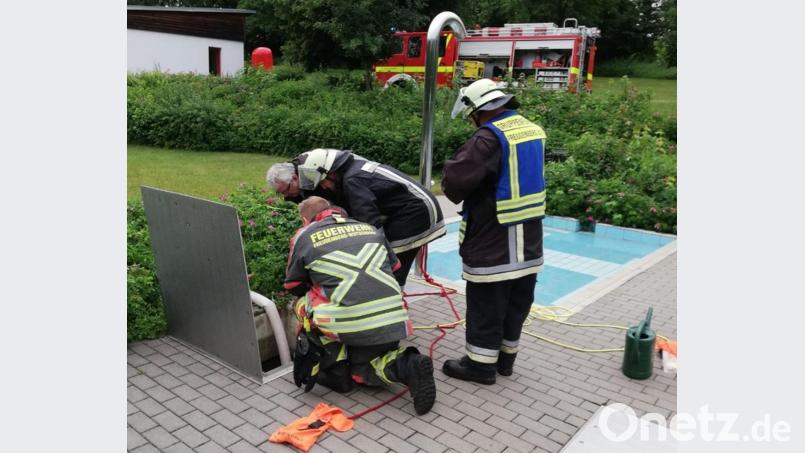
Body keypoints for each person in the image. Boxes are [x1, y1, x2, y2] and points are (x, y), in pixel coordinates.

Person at [285, 196, 436, 415]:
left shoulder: (304, 235)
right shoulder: (369, 228)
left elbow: (293, 284)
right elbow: (394, 266)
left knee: (301, 304)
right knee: (377, 359)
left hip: (347, 323)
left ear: (304, 219)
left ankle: (336, 363)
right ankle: (407, 364)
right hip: (395, 316)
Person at [441, 78, 546, 384]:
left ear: (478, 110)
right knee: (517, 302)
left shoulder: (487, 138)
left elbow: (456, 182)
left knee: (486, 303)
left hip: (494, 238)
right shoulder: (531, 129)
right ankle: (504, 361)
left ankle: (480, 366)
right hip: (529, 241)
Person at [267, 150, 446, 287]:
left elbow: (370, 224)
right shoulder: (332, 169)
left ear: (330, 174)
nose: (323, 187)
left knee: (389, 264)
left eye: (323, 183)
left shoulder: (353, 181)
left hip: (416, 213)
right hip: (404, 210)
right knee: (383, 261)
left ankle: (391, 309)